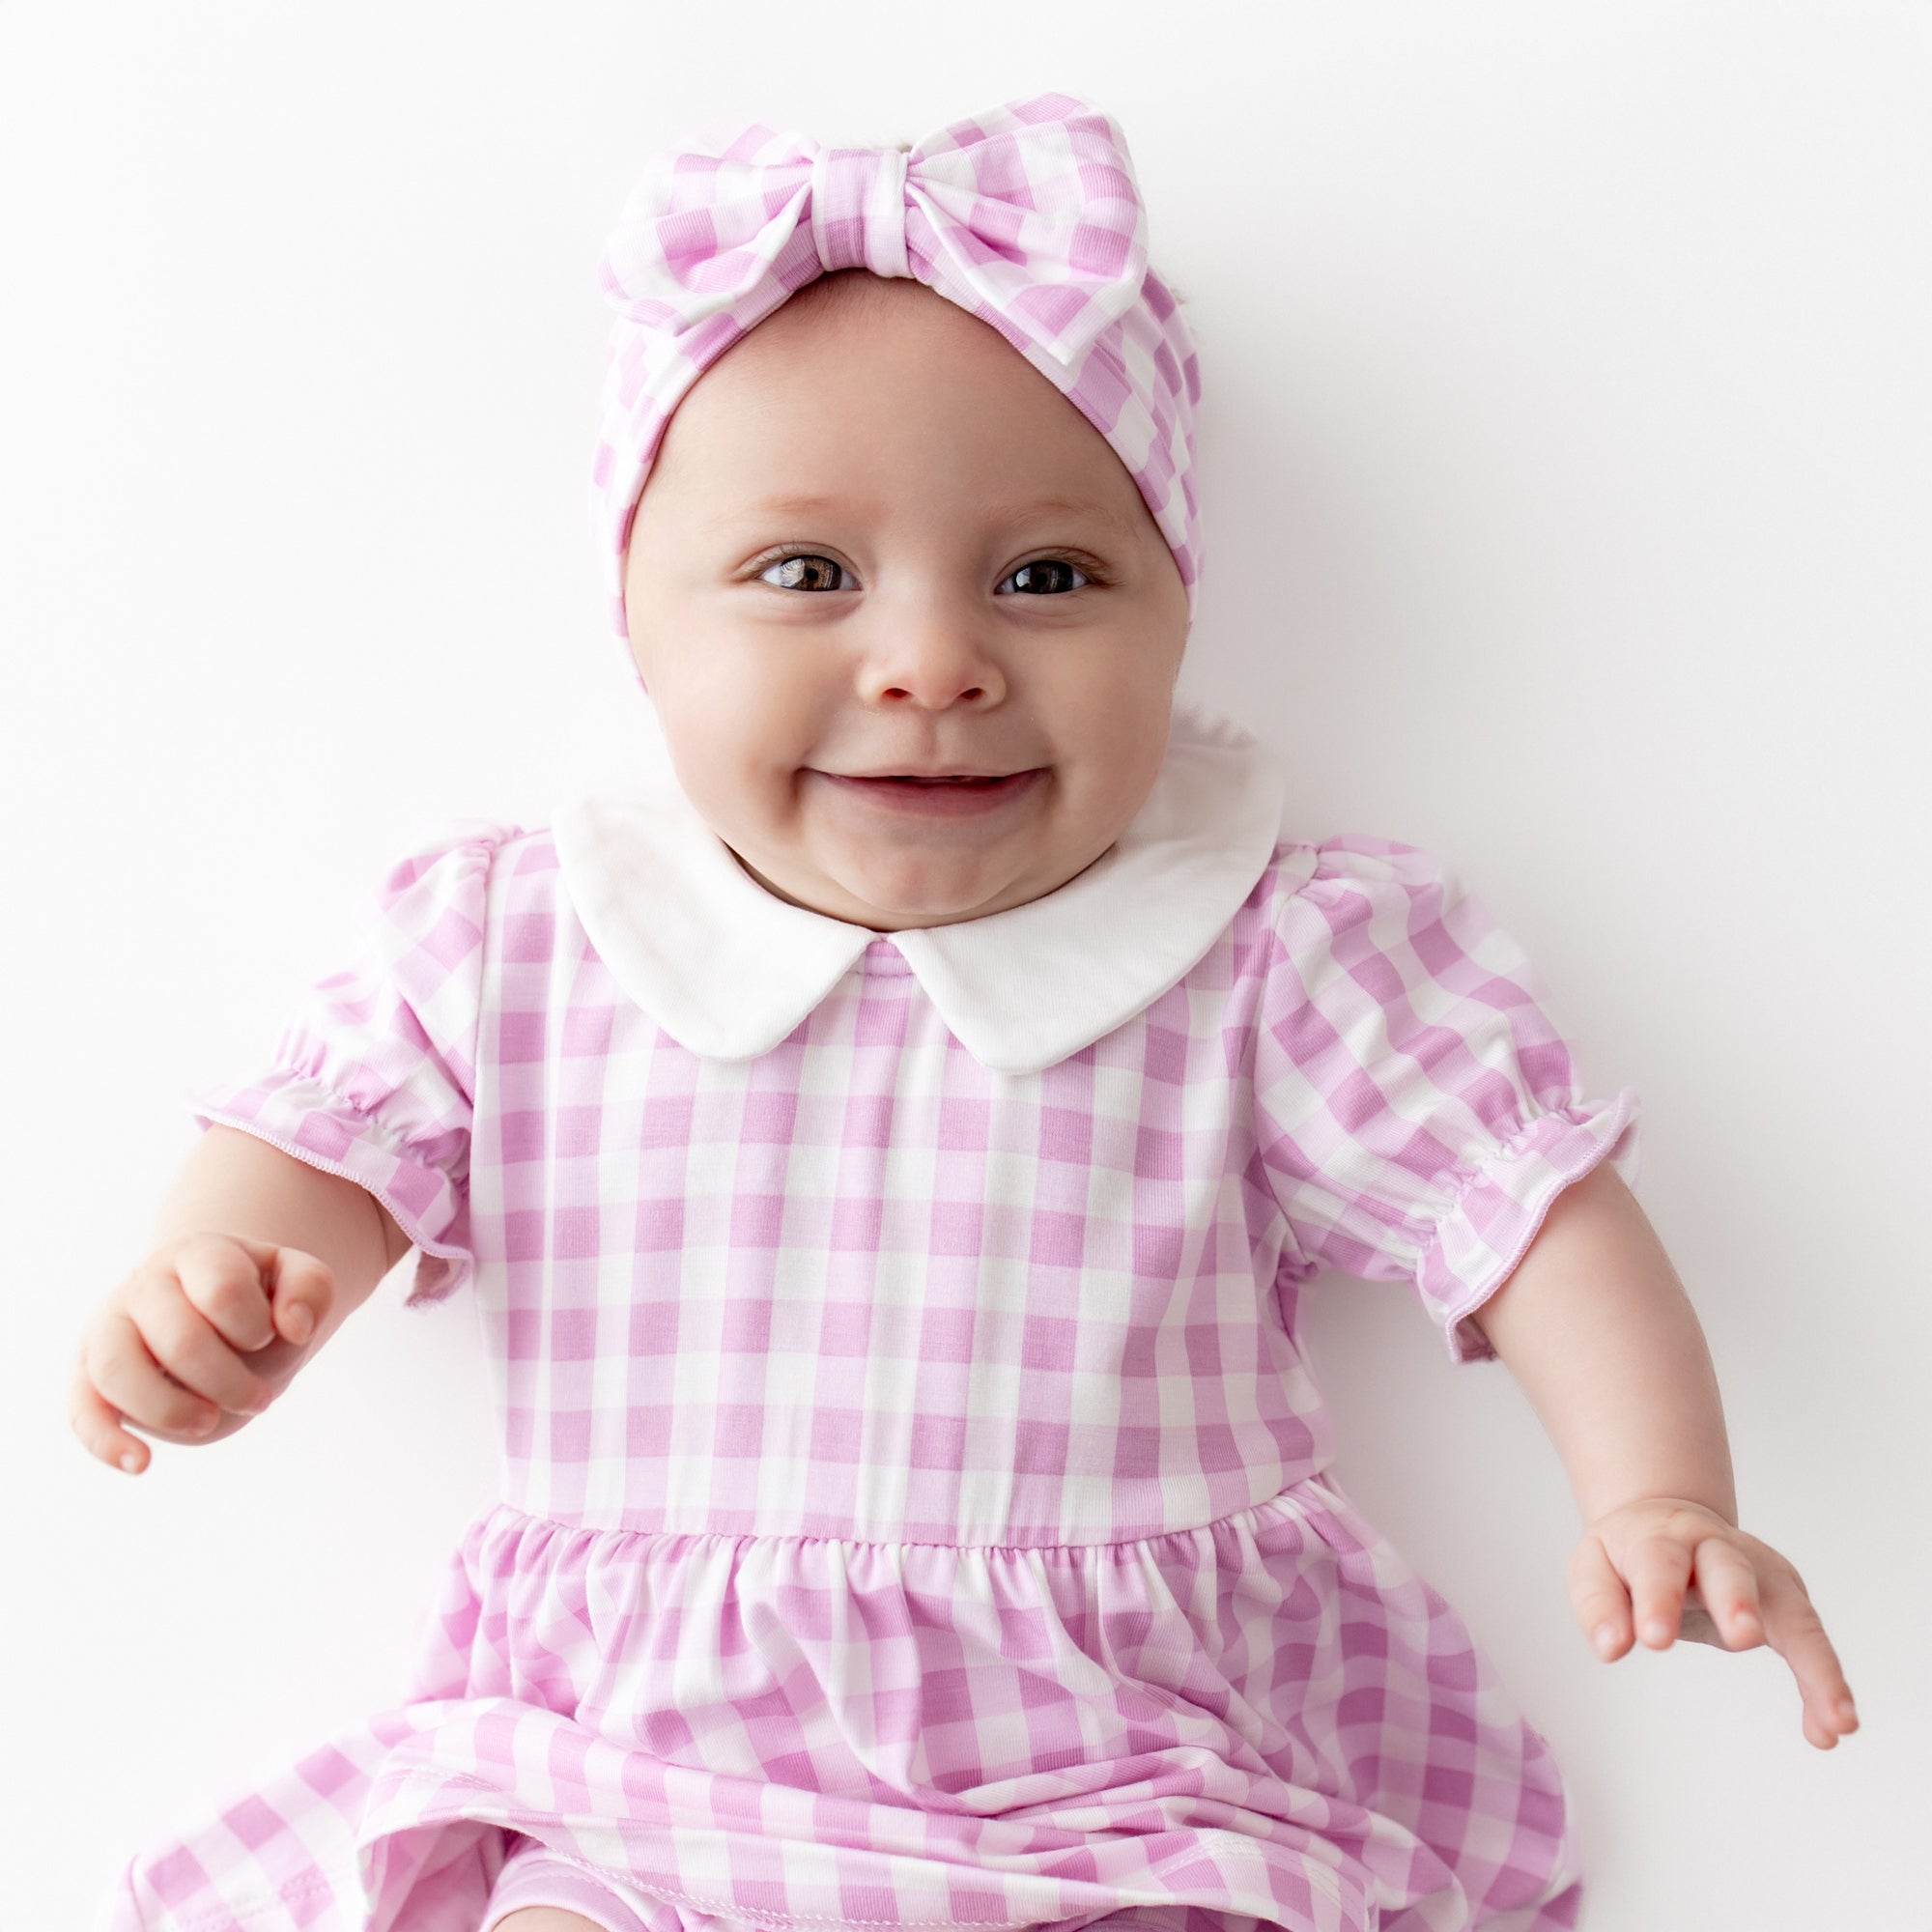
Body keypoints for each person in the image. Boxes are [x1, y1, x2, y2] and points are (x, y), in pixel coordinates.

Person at [74, 91, 1858, 1932]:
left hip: (1127, 1766)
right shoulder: (517, 945)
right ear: (639, 618)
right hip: (647, 1766)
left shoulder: (1261, 959)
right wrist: (221, 1279)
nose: (930, 661)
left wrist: (1662, 1493)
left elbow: (1530, 1215)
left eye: (1048, 576)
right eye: (804, 574)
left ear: (1181, 610)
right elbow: (308, 1150)